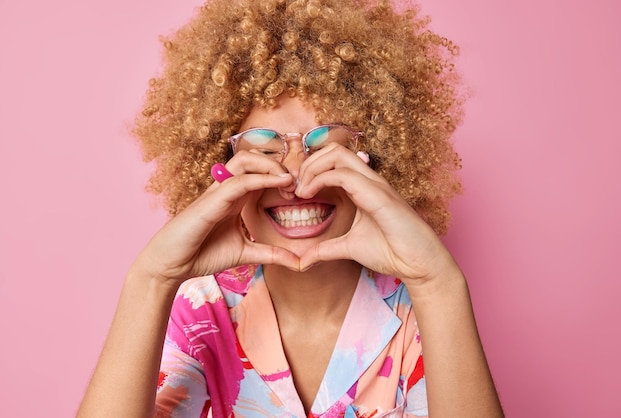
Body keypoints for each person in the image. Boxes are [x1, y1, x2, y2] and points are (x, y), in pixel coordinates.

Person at [78, 0, 504, 416]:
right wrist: (151, 279)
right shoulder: (201, 312)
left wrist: (437, 282)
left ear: (375, 163)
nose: (296, 180)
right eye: (265, 151)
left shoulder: (422, 310)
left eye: (324, 150)